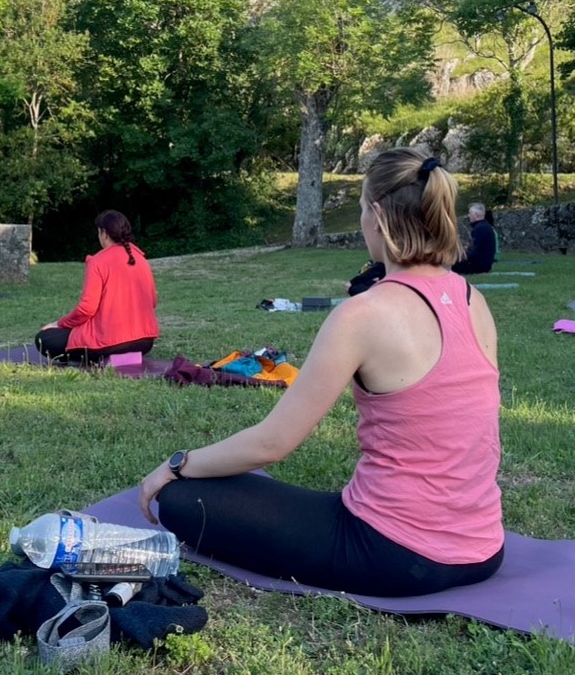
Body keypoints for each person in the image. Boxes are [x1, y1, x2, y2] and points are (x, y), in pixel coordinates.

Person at [138, 149, 504, 597]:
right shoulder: (473, 300)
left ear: (375, 216)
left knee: (180, 499)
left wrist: (178, 465)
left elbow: (273, 443)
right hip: (484, 549)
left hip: (396, 556)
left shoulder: (363, 314)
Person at [35, 210, 159, 362]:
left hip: (110, 342)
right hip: (144, 342)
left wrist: (60, 323)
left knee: (44, 339)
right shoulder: (140, 258)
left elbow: (86, 309)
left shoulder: (98, 261)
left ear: (104, 233)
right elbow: (152, 301)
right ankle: (122, 357)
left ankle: (104, 356)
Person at [451, 202, 497, 275]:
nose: (468, 215)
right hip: (484, 263)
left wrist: (458, 259)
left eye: (470, 213)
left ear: (475, 215)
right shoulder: (485, 227)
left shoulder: (480, 229)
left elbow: (473, 251)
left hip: (479, 265)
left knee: (449, 266)